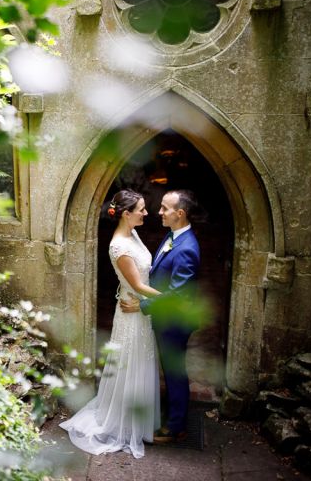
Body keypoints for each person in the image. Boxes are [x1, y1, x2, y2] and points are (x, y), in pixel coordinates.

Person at [60, 189, 161, 459]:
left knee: (140, 361)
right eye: (141, 209)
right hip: (132, 312)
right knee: (130, 364)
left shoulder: (133, 234)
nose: (146, 213)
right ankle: (123, 423)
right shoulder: (119, 246)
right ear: (127, 214)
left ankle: (139, 421)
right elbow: (138, 285)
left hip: (139, 309)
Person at [121, 189, 201, 444]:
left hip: (175, 321)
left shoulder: (188, 248)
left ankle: (176, 426)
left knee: (175, 371)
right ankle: (172, 414)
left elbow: (178, 295)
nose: (158, 212)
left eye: (164, 208)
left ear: (180, 214)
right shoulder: (174, 236)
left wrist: (143, 306)